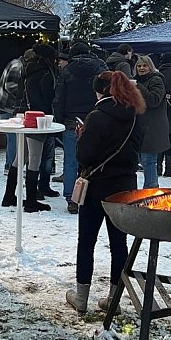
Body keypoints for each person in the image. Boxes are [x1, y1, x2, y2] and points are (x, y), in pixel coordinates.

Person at [65, 71, 145, 314]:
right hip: (125, 187)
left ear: (100, 91)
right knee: (119, 243)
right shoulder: (135, 116)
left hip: (96, 186)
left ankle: (81, 297)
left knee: (86, 241)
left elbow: (85, 155)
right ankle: (114, 298)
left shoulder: (97, 116)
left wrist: (82, 137)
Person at [53, 41, 107, 214]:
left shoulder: (67, 71)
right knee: (95, 160)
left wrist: (59, 119)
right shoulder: (101, 68)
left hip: (71, 120)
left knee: (71, 160)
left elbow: (59, 97)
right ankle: (94, 195)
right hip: (96, 118)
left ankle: (72, 198)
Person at [23, 44, 59, 197]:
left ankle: (36, 188)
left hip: (31, 115)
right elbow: (49, 96)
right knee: (44, 155)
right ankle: (41, 186)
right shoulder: (46, 73)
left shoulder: (29, 70)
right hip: (45, 117)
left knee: (32, 156)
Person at [134, 55, 169, 188]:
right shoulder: (137, 81)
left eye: (144, 65)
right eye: (139, 66)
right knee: (144, 161)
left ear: (150, 66)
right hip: (140, 127)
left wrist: (138, 87)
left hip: (153, 128)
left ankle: (151, 191)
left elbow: (154, 100)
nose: (141, 68)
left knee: (149, 161)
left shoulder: (157, 80)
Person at [0, 53, 25, 171]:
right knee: (13, 137)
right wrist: (23, 95)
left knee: (12, 137)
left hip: (4, 104)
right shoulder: (18, 66)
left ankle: (10, 164)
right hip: (7, 105)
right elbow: (10, 86)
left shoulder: (15, 62)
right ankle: (11, 165)